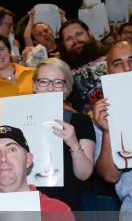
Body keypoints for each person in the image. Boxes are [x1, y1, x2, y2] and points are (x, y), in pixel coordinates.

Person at [93, 41, 132, 221]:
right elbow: (109, 175)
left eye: (131, 59)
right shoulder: (101, 114)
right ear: (107, 71)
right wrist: (106, 131)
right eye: (117, 63)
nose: (126, 67)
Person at [33, 58, 95, 211]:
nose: (50, 88)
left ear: (67, 88)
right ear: (34, 85)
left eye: (58, 82)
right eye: (43, 81)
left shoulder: (80, 121)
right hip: (28, 202)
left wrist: (73, 143)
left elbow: (84, 174)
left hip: (66, 204)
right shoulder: (18, 119)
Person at [0, 34, 35, 144]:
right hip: (11, 146)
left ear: (9, 51)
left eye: (1, 49)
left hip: (42, 137)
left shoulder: (33, 74)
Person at [59, 19, 107, 113]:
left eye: (79, 34)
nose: (75, 41)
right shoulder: (62, 72)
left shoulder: (111, 56)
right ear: (63, 44)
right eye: (69, 39)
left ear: (89, 33)